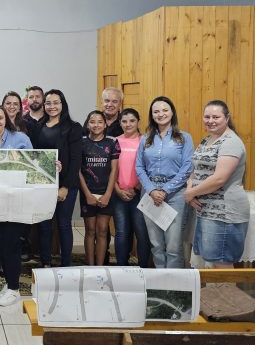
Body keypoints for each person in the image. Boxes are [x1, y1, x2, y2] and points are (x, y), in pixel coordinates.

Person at [0, 105, 33, 306]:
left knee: (12, 244)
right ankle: (10, 282)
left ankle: (14, 289)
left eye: (0, 118)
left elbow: (34, 165)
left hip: (16, 201)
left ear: (6, 119)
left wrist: (53, 165)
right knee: (2, 244)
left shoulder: (20, 139)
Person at [185, 100, 249, 269]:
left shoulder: (231, 142)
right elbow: (195, 169)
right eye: (207, 116)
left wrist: (190, 194)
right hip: (207, 211)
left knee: (222, 262)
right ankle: (216, 295)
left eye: (216, 116)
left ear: (227, 118)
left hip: (224, 212)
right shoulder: (207, 139)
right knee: (212, 260)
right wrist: (190, 189)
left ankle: (227, 295)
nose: (210, 120)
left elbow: (219, 178)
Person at [135, 96, 193, 269]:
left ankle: (175, 290)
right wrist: (152, 190)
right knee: (157, 245)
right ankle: (160, 285)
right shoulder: (145, 139)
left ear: (172, 112)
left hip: (175, 195)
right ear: (152, 115)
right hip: (150, 195)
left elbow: (187, 167)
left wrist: (166, 190)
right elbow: (139, 167)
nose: (161, 114)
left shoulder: (184, 138)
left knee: (174, 247)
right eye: (156, 111)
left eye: (165, 110)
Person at [28, 89, 82, 268]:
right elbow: (34, 155)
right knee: (44, 225)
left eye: (56, 102)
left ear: (63, 104)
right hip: (43, 183)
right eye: (48, 103)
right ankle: (46, 262)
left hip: (66, 185)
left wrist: (65, 186)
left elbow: (75, 160)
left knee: (64, 224)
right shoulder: (38, 127)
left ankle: (66, 264)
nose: (52, 106)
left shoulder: (73, 127)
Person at [79, 111, 120, 266]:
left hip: (106, 193)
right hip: (87, 193)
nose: (96, 125)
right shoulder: (81, 142)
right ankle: (90, 266)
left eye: (99, 122)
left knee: (102, 230)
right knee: (90, 231)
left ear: (105, 124)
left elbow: (114, 170)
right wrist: (87, 194)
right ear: (88, 124)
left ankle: (100, 267)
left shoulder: (112, 142)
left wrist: (108, 194)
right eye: (92, 121)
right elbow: (78, 171)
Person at [113, 108, 151, 267]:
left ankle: (143, 269)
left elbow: (149, 169)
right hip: (118, 194)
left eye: (132, 121)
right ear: (120, 123)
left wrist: (135, 188)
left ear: (138, 122)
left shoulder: (146, 141)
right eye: (124, 121)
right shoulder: (115, 141)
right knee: (121, 233)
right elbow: (111, 170)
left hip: (140, 193)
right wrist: (117, 189)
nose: (128, 124)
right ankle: (122, 267)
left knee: (142, 233)